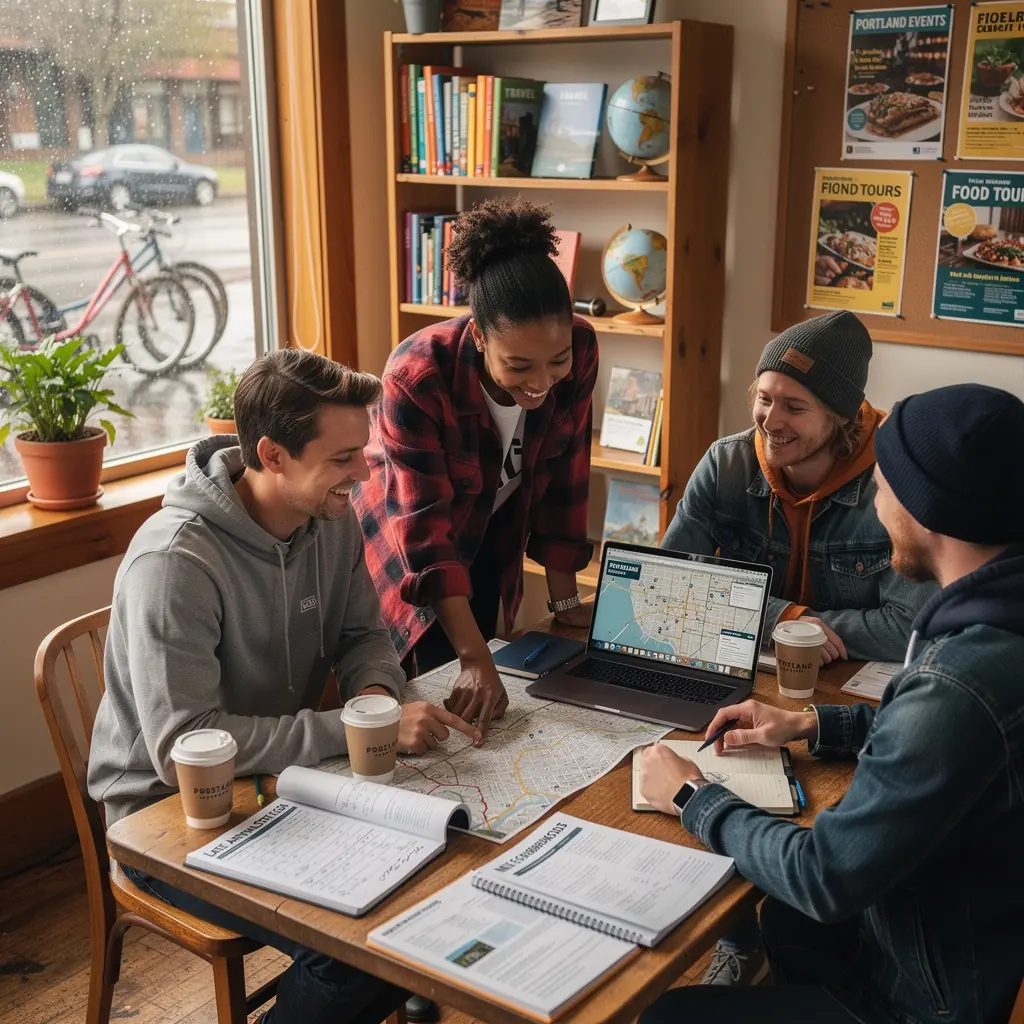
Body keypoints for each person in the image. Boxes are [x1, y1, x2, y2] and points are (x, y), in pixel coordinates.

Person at [88, 350, 479, 1024]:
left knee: (428, 904)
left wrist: (376, 703)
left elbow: (363, 634)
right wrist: (351, 729)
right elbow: (183, 745)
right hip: (167, 816)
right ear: (272, 455)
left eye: (363, 452)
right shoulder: (174, 562)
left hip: (279, 783)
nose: (365, 474)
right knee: (351, 955)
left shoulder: (329, 518)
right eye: (343, 458)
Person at [638, 383, 1024, 1023]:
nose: (875, 503)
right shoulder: (997, 622)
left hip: (918, 1003)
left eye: (884, 486)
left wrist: (690, 796)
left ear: (928, 509)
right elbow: (950, 739)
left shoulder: (957, 684)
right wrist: (811, 723)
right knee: (787, 922)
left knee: (667, 1015)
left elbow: (823, 875)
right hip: (945, 942)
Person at [351, 196, 596, 737]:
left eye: (556, 361)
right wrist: (472, 655)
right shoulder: (417, 375)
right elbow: (426, 535)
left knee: (493, 696)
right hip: (410, 547)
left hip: (490, 530)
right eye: (519, 365)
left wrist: (564, 600)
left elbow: (567, 477)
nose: (542, 382)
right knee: (441, 699)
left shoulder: (580, 346)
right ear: (480, 336)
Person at [663, 310, 933, 670]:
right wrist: (782, 619)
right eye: (764, 398)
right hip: (747, 669)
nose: (770, 422)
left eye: (794, 407)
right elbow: (668, 579)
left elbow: (911, 629)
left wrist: (799, 630)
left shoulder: (894, 481)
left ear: (842, 415)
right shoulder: (724, 464)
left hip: (846, 683)